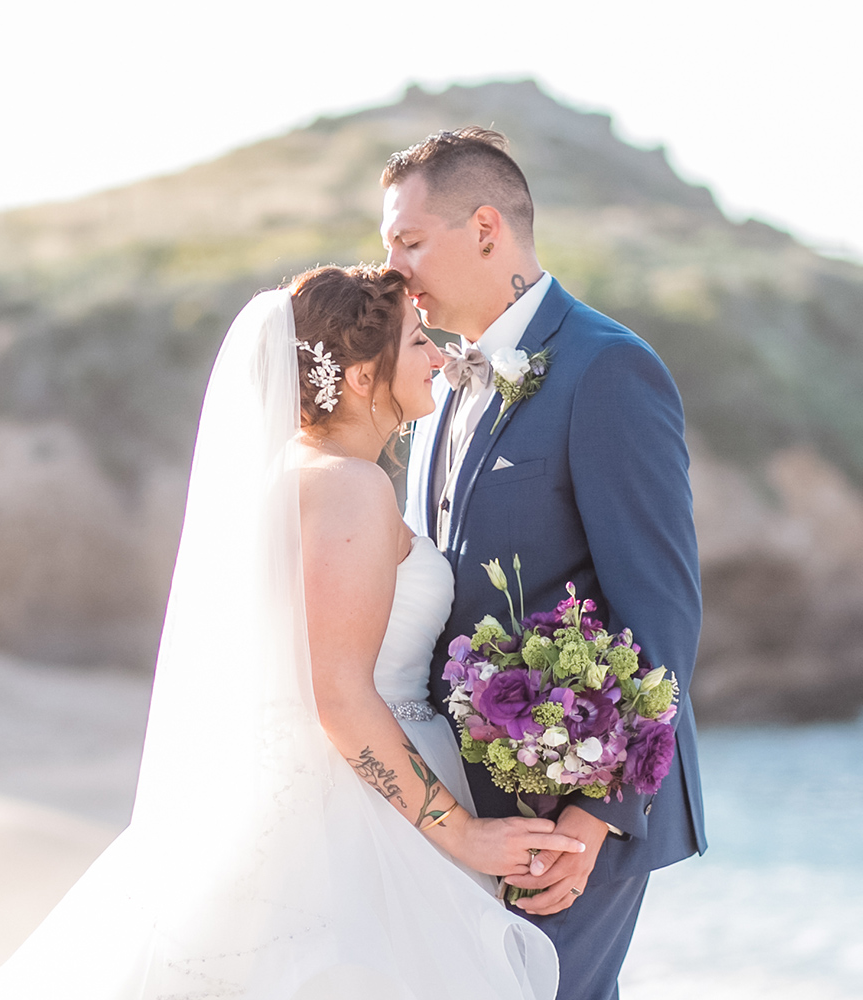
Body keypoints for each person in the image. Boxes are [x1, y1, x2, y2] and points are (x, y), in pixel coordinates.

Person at [0, 265, 583, 999]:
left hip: (325, 794)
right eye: (417, 340)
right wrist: (462, 835)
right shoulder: (350, 488)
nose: (437, 355)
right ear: (360, 376)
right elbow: (338, 694)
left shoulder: (305, 475)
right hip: (357, 817)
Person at [386, 128, 706, 1000]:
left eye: (410, 242)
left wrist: (597, 814)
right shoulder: (436, 386)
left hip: (570, 805)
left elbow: (662, 607)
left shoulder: (610, 369)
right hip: (457, 801)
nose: (396, 270)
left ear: (486, 226)